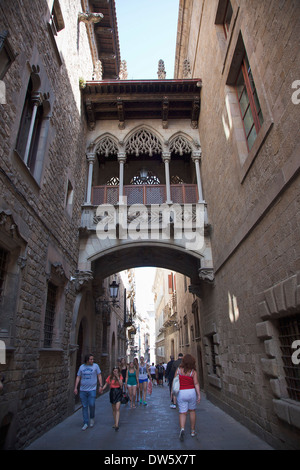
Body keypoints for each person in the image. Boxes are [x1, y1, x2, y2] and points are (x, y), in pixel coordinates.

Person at [174, 354, 201, 441]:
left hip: (181, 393)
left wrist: (173, 394)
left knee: (182, 412)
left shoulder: (179, 370)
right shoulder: (193, 372)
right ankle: (193, 431)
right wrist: (199, 394)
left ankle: (182, 429)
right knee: (192, 411)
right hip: (191, 392)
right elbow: (196, 383)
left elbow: (175, 382)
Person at [74, 354, 102, 430]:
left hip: (92, 389)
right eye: (91, 359)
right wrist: (76, 387)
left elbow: (99, 375)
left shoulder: (95, 366)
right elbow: (78, 377)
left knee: (92, 404)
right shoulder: (81, 367)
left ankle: (92, 417)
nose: (92, 361)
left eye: (93, 359)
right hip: (83, 390)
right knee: (84, 406)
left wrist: (100, 385)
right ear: (87, 360)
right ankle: (86, 422)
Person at [101, 366, 123, 431]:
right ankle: (115, 422)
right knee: (114, 409)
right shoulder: (110, 377)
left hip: (118, 392)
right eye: (114, 371)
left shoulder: (120, 376)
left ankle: (117, 424)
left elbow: (121, 385)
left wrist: (118, 377)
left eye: (116, 371)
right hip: (112, 392)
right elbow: (106, 384)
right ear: (112, 371)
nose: (115, 372)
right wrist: (102, 389)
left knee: (117, 408)